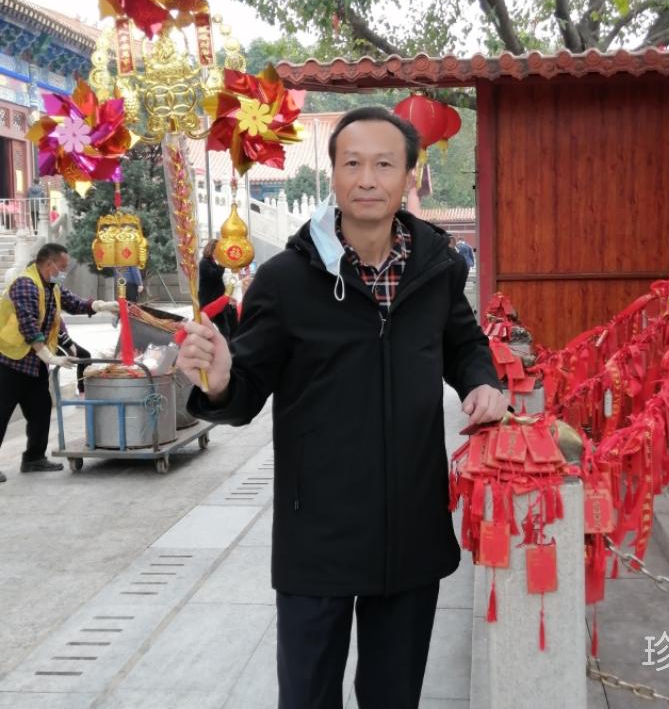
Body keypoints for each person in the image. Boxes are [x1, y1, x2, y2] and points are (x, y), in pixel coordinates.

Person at [177, 106, 508, 709]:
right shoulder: (285, 280)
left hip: (411, 526)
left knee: (394, 696)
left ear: (409, 175)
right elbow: (243, 390)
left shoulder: (436, 269)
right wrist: (221, 382)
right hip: (317, 534)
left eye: (384, 164)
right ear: (332, 174)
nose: (367, 179)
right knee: (307, 695)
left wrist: (481, 383)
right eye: (352, 164)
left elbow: (464, 344)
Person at [0, 243, 119, 481]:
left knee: (41, 409)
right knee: (1, 413)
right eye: (62, 267)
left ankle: (34, 458)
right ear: (49, 263)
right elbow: (27, 326)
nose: (63, 271)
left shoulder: (52, 286)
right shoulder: (25, 284)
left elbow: (74, 303)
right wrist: (50, 356)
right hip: (10, 361)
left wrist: (100, 305)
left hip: (33, 363)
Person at [198, 239, 237, 340]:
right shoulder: (204, 263)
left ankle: (226, 347)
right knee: (206, 329)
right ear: (211, 249)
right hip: (209, 304)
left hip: (218, 304)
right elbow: (215, 275)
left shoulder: (212, 263)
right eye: (218, 250)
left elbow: (217, 282)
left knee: (225, 330)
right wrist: (222, 264)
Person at [58, 322, 91, 397]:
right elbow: (53, 328)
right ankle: (82, 391)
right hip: (59, 341)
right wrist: (69, 343)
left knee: (85, 355)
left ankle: (82, 391)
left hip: (64, 339)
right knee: (84, 355)